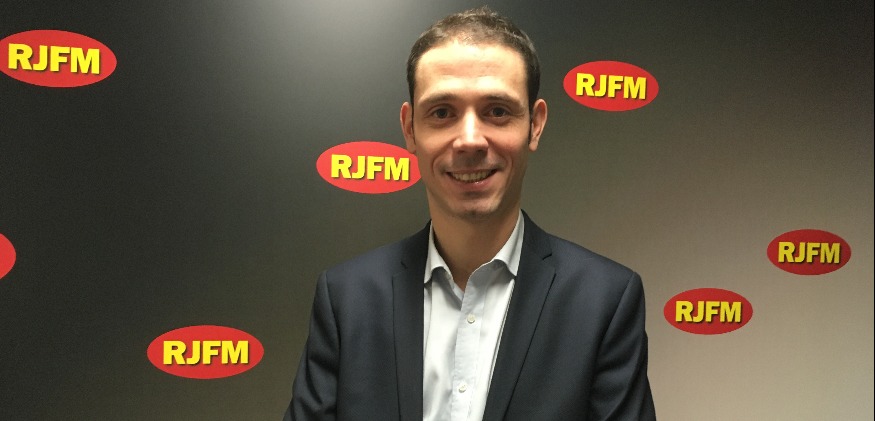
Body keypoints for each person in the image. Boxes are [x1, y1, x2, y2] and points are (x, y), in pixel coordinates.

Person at [285, 6, 656, 421]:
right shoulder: (346, 299)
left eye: (497, 111)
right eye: (442, 112)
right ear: (409, 129)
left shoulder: (604, 302)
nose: (469, 140)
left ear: (535, 125)